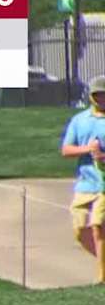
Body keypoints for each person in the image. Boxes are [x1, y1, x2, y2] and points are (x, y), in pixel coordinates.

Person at [60, 75, 105, 283]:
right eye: (98, 95)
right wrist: (89, 149)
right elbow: (66, 149)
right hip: (86, 183)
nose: (102, 98)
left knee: (98, 225)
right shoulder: (80, 120)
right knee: (80, 229)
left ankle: (101, 278)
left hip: (104, 184)